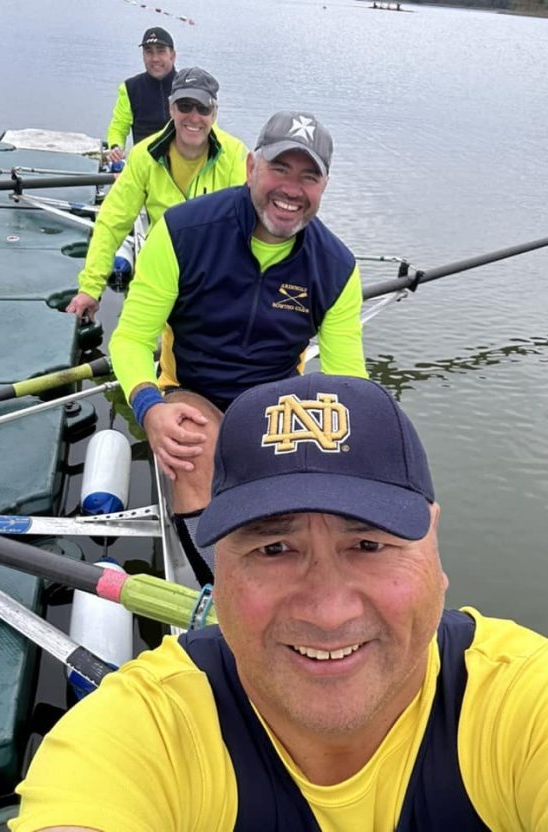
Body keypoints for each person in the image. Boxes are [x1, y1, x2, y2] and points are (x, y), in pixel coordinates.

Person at [10, 372, 548, 831]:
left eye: (369, 544)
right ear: (218, 573)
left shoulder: (531, 705)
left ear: (434, 547)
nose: (328, 610)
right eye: (273, 549)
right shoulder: (144, 732)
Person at [108, 110, 368, 579]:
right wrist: (149, 407)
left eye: (308, 176)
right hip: (194, 389)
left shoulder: (337, 267)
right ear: (251, 167)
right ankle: (217, 586)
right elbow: (129, 339)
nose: (292, 189)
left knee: (337, 479)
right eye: (280, 169)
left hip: (277, 403)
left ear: (323, 187)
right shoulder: (184, 233)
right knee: (192, 445)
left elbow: (350, 382)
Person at [66, 66, 247, 321]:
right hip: (157, 274)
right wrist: (90, 287)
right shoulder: (143, 155)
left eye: (203, 108)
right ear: (171, 108)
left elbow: (250, 231)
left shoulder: (236, 156)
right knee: (130, 344)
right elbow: (111, 222)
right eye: (185, 106)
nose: (193, 117)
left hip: (212, 282)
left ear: (214, 113)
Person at [106, 27, 177, 164]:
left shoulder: (188, 86)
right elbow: (118, 127)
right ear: (143, 56)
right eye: (149, 52)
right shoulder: (130, 88)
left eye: (161, 51)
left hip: (182, 166)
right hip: (144, 166)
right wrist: (115, 147)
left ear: (172, 56)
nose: (155, 58)